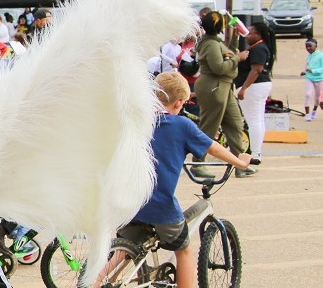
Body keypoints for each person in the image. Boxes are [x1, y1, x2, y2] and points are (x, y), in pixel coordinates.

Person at [104, 72, 252, 288]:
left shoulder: (137, 122)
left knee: (122, 252)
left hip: (129, 202)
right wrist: (240, 163)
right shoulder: (182, 125)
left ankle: (94, 282)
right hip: (160, 206)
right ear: (180, 102)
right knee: (184, 250)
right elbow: (212, 147)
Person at [192, 11, 251, 178]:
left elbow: (227, 55)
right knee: (209, 126)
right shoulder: (210, 44)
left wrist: (234, 38)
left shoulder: (215, 42)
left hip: (224, 87)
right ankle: (198, 162)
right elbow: (219, 68)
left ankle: (240, 163)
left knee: (234, 124)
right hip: (214, 86)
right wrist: (238, 58)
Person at [234, 22, 275, 166]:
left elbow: (256, 70)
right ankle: (256, 151)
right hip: (259, 86)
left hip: (254, 86)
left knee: (254, 121)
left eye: (250, 32)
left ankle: (256, 153)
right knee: (257, 119)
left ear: (258, 35)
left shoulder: (258, 48)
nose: (247, 35)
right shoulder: (259, 47)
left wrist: (244, 88)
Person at [303, 38, 323, 120]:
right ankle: (307, 114)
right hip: (309, 78)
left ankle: (314, 111)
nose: (308, 48)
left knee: (317, 98)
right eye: (306, 46)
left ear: (315, 46)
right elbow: (307, 67)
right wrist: (305, 72)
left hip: (319, 78)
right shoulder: (308, 56)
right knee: (308, 95)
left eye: (310, 46)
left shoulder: (321, 55)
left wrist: (313, 70)